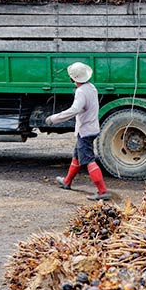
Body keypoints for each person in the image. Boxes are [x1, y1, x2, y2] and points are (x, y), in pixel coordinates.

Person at [45, 62, 110, 201]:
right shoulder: (91, 87)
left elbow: (74, 110)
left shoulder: (81, 92)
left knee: (89, 161)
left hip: (85, 131)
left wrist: (54, 118)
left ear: (73, 79)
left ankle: (102, 191)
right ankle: (67, 181)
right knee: (76, 156)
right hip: (91, 128)